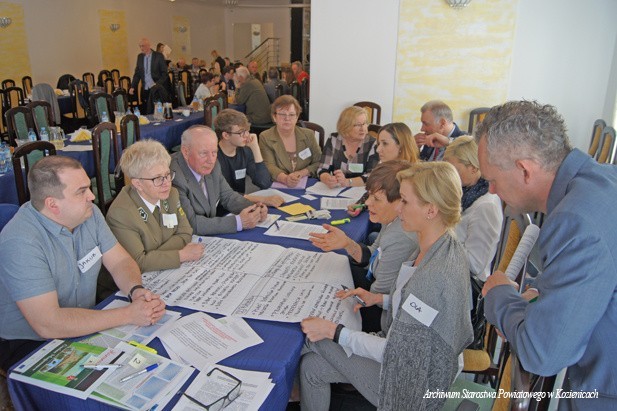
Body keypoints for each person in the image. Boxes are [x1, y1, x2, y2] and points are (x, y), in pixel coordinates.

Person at [477, 101, 617, 409]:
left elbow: (542, 353)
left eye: (493, 179)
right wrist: (542, 288)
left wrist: (500, 296)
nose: (490, 191)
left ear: (525, 170)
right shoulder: (604, 178)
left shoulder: (574, 220)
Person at [300, 162, 472, 410]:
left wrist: (334, 332)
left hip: (410, 388)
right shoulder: (443, 246)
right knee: (312, 368)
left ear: (431, 210)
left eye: (404, 201)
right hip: (422, 366)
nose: (398, 208)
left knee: (310, 339)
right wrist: (381, 300)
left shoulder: (432, 277)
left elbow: (395, 352)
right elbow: (424, 317)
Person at [0, 156, 166, 372]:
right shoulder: (21, 241)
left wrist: (135, 290)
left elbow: (120, 261)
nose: (92, 196)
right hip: (30, 342)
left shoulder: (89, 214)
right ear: (53, 204)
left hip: (86, 318)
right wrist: (128, 314)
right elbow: (47, 323)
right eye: (81, 191)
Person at [309, 160, 417, 331]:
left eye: (376, 199)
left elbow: (376, 296)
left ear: (400, 202)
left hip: (382, 319)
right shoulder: (393, 220)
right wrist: (347, 243)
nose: (367, 203)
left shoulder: (401, 237)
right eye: (369, 195)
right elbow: (374, 254)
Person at [105, 140, 205, 273]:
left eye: (167, 175)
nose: (166, 183)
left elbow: (186, 232)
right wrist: (181, 255)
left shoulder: (171, 195)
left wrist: (152, 256)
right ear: (137, 184)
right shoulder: (121, 213)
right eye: (157, 178)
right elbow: (138, 262)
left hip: (161, 272)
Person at [170, 125, 268, 236]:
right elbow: (191, 223)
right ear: (186, 152)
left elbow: (228, 196)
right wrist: (239, 222)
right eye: (204, 153)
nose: (211, 160)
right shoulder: (173, 177)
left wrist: (253, 209)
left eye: (214, 152)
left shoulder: (213, 163)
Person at [443, 136, 502, 282]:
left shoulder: (486, 206)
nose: (448, 175)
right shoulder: (465, 193)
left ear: (474, 168)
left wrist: (439, 233)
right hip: (448, 270)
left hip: (466, 283)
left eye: (453, 170)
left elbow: (475, 265)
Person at [347, 122, 420, 217]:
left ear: (401, 145)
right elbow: (374, 191)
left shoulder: (412, 177)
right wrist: (360, 204)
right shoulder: (386, 167)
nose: (378, 149)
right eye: (378, 144)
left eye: (385, 143)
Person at [214, 109, 283, 207]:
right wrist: (262, 200)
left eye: (247, 130)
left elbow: (264, 183)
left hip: (240, 206)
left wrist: (255, 148)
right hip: (222, 211)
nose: (247, 136)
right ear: (226, 135)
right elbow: (223, 195)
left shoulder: (245, 151)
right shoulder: (213, 157)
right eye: (241, 132)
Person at [259, 95, 322, 187]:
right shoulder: (266, 137)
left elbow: (319, 161)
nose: (287, 118)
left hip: (306, 183)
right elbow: (269, 165)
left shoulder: (308, 134)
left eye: (292, 115)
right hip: (279, 184)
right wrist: (285, 179)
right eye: (282, 114)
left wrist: (302, 173)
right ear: (274, 117)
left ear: (297, 117)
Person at [318, 106, 379, 189]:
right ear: (345, 126)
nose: (363, 129)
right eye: (357, 125)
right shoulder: (334, 139)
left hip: (361, 191)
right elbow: (322, 169)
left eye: (364, 123)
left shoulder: (372, 143)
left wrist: (347, 182)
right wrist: (328, 179)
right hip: (336, 190)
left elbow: (372, 176)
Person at [130, 37, 169, 113]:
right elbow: (137, 74)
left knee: (158, 112)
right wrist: (132, 86)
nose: (141, 48)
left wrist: (157, 84)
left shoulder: (158, 56)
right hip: (145, 89)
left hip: (157, 88)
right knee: (148, 111)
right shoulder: (140, 57)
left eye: (143, 46)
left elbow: (165, 73)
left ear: (149, 45)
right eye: (140, 46)